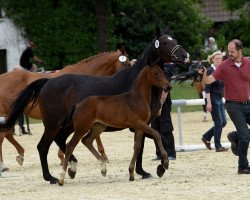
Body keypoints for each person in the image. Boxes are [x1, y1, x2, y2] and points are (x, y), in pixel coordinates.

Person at [202, 39, 250, 174]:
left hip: (248, 103)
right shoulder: (224, 66)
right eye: (228, 51)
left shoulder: (248, 63)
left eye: (232, 51)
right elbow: (208, 81)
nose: (229, 54)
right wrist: (204, 73)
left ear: (240, 51)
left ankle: (235, 136)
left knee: (243, 136)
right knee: (245, 136)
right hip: (233, 106)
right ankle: (243, 166)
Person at [201, 50, 228, 152]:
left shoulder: (221, 70)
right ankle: (218, 146)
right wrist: (208, 102)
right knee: (219, 122)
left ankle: (206, 137)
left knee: (223, 122)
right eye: (216, 58)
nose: (219, 60)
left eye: (220, 58)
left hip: (220, 99)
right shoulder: (210, 70)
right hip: (212, 99)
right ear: (212, 59)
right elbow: (207, 88)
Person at [18, 40, 43, 135]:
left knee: (33, 66)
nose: (34, 47)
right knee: (35, 66)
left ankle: (32, 74)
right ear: (32, 46)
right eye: (33, 45)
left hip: (23, 63)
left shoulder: (28, 50)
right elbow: (35, 58)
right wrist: (40, 60)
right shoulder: (29, 50)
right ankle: (34, 76)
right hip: (24, 63)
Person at [152, 63, 176, 161]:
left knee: (166, 128)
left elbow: (165, 90)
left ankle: (170, 153)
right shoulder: (152, 70)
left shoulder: (165, 71)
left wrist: (160, 105)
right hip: (153, 103)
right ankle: (159, 153)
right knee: (155, 128)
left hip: (163, 104)